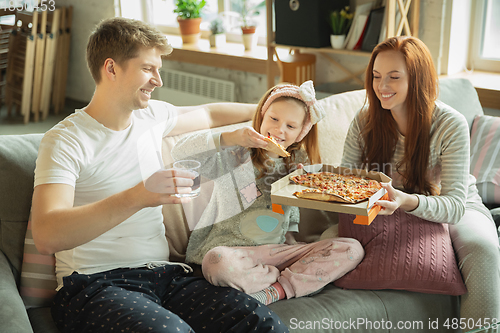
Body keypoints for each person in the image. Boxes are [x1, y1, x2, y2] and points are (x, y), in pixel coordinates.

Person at [31, 17, 289, 333]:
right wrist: (140, 195)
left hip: (166, 275)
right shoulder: (65, 140)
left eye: (158, 69)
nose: (158, 80)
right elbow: (46, 234)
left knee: (261, 323)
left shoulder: (152, 116)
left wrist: (271, 110)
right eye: (147, 69)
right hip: (93, 285)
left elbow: (208, 113)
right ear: (111, 69)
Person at [341, 36, 500, 327]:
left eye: (394, 77)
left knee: (483, 249)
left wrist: (404, 200)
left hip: (455, 205)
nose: (382, 86)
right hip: (388, 208)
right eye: (376, 76)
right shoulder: (364, 121)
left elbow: (454, 206)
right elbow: (346, 184)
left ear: (417, 79)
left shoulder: (449, 124)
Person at [171, 81, 365, 305]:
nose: (279, 130)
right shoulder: (233, 154)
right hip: (232, 253)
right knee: (216, 262)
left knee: (352, 249)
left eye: (291, 126)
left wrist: (300, 194)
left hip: (275, 253)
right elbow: (180, 153)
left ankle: (275, 291)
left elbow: (289, 217)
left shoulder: (297, 163)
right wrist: (231, 137)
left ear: (300, 134)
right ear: (262, 117)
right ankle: (283, 281)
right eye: (274, 119)